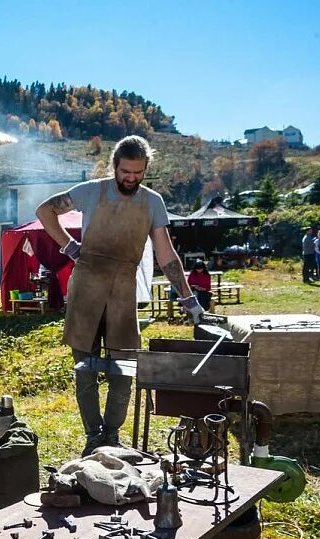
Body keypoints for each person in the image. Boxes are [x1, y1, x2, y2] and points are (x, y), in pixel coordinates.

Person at [35, 135, 203, 456]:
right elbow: (45, 211)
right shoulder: (91, 191)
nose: (131, 178)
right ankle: (93, 437)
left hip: (123, 293)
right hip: (86, 289)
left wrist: (188, 298)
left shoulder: (152, 202)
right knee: (84, 370)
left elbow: (166, 254)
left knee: (124, 370)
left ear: (145, 170)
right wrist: (69, 246)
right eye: (126, 171)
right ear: (114, 166)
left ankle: (112, 436)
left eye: (138, 173)